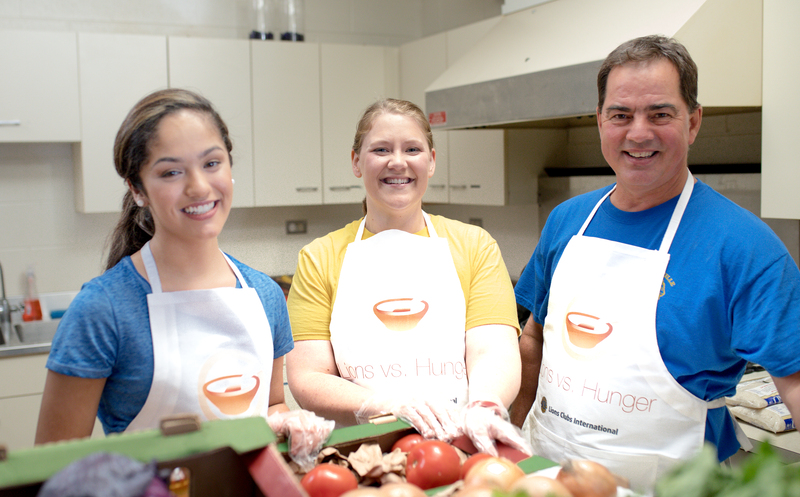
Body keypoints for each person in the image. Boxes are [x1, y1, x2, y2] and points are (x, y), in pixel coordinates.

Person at [511, 35, 800, 492]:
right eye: (620, 115)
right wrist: (502, 444)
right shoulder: (568, 221)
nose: (638, 133)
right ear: (601, 123)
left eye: (660, 114)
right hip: (550, 473)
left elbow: (796, 382)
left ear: (693, 122)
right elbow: (533, 339)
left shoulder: (743, 245)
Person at [35, 88, 331, 469]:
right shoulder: (103, 310)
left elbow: (270, 405)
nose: (199, 187)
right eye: (171, 172)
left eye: (212, 163)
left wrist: (286, 418)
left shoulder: (264, 295)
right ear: (137, 190)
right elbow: (51, 470)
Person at [285, 98, 530, 456]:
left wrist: (486, 405)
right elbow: (308, 377)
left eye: (412, 149)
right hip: (361, 454)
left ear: (431, 161)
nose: (397, 162)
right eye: (381, 149)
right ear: (356, 161)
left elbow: (492, 348)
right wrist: (385, 404)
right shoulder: (319, 257)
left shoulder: (474, 245)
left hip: (457, 444)